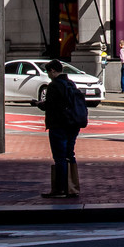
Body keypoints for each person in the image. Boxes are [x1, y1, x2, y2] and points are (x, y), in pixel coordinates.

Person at [35, 59, 88, 198]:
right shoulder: (70, 83)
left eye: (48, 72)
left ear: (53, 71)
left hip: (59, 125)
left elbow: (51, 105)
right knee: (70, 154)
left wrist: (40, 104)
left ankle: (60, 189)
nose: (48, 75)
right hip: (73, 124)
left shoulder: (54, 85)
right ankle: (72, 187)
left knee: (59, 157)